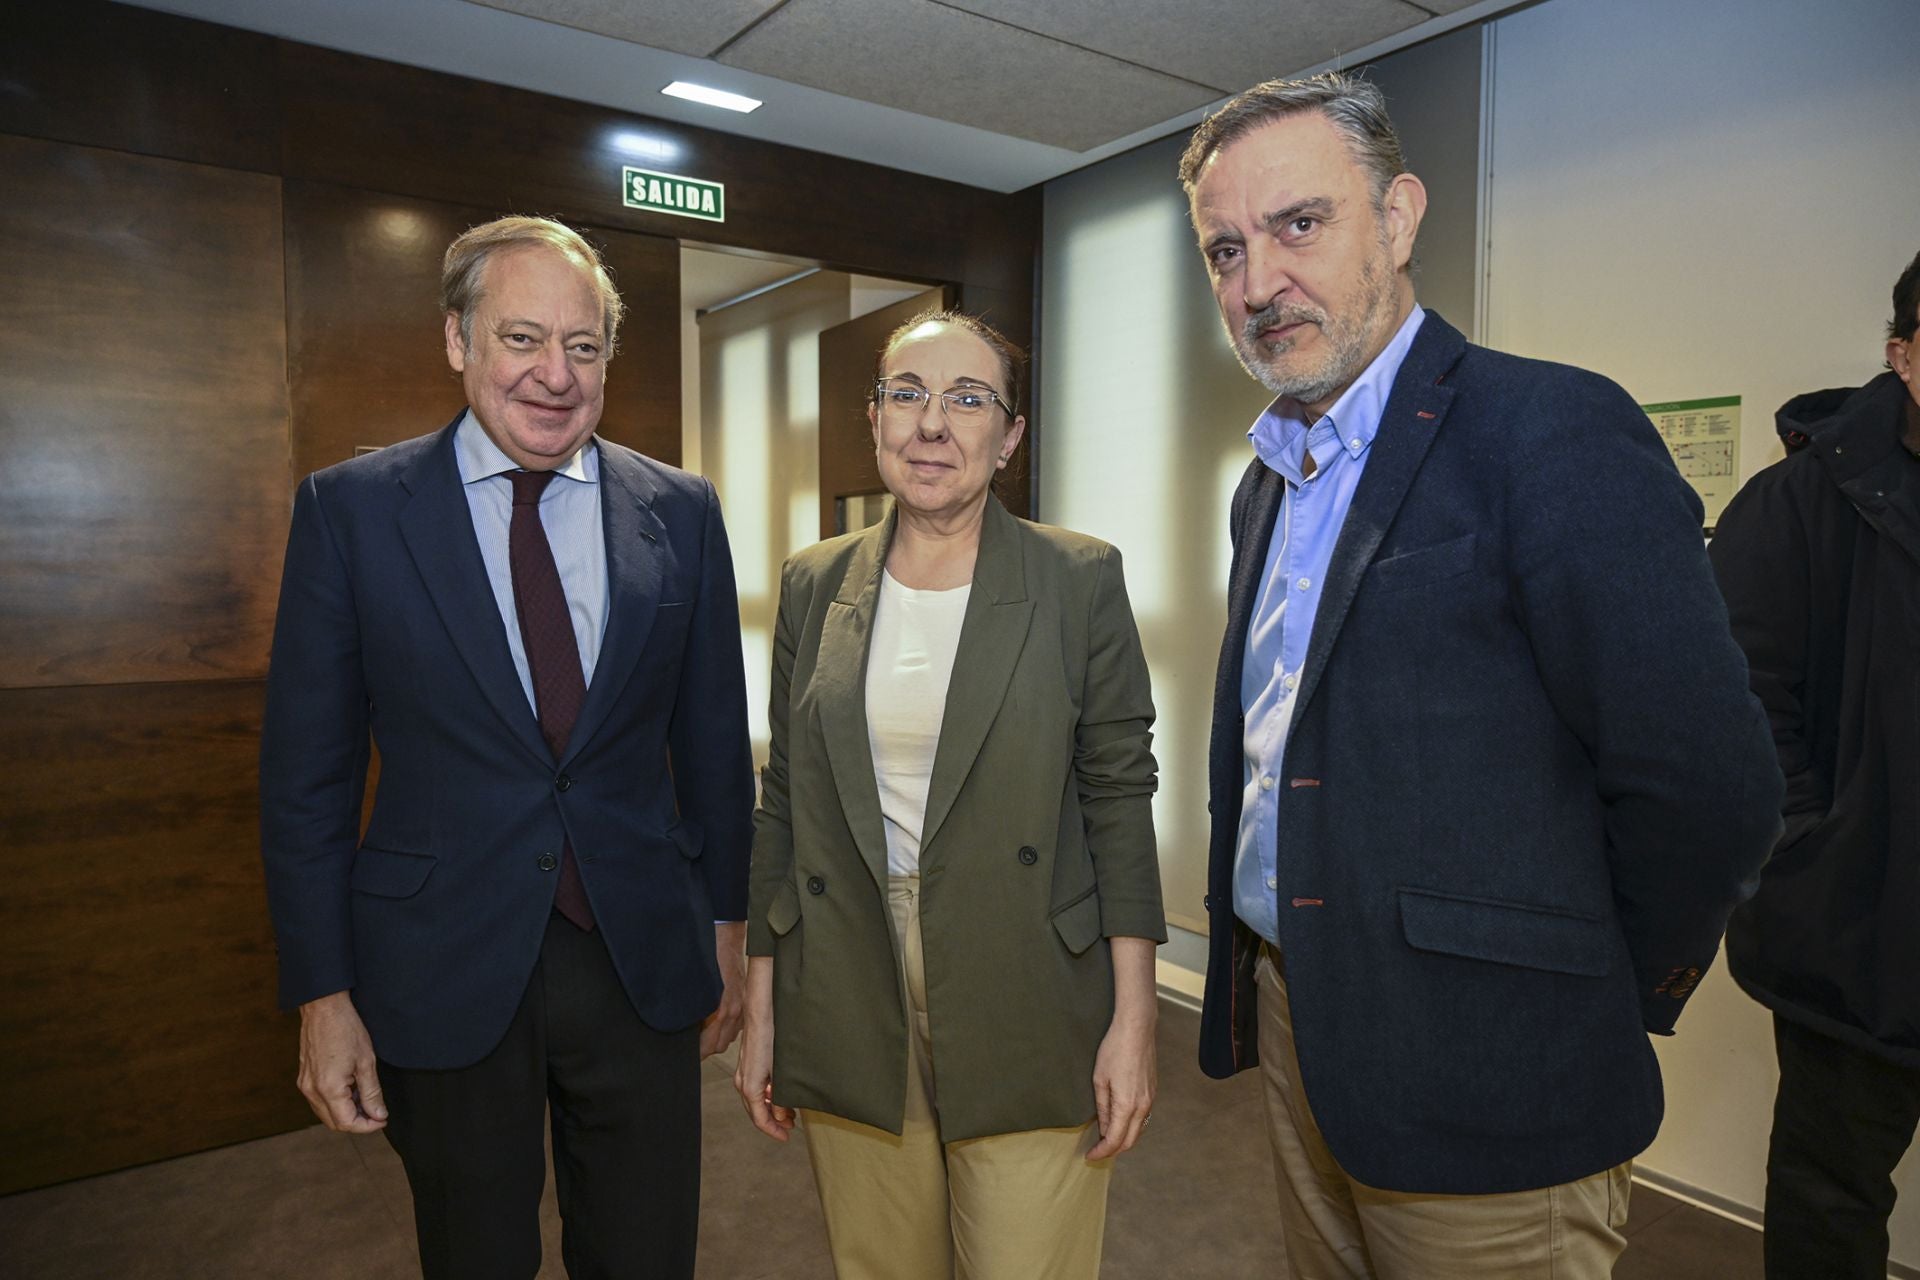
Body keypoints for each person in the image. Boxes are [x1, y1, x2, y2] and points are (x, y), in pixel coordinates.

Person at [1182, 72, 1783, 1277]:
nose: (1257, 283)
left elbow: (1708, 784)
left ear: (1399, 219)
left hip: (1498, 1067)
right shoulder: (1266, 482)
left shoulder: (1546, 430)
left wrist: (1594, 987)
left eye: (1300, 224)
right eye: (1225, 250)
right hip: (1304, 1023)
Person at [258, 215, 754, 1280]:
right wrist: (322, 991)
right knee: (474, 1252)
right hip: (439, 956)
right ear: (458, 340)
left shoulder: (682, 510)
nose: (555, 375)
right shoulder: (351, 514)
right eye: (522, 338)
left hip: (638, 954)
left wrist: (728, 923)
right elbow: (307, 778)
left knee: (645, 1250)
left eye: (582, 346)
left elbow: (713, 741)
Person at [733, 310, 1165, 1279]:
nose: (934, 423)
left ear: (1008, 435)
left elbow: (1118, 798)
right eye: (909, 394)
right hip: (845, 967)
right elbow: (786, 801)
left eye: (968, 398)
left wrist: (1133, 1017)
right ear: (875, 418)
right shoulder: (815, 581)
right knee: (882, 1261)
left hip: (1027, 974)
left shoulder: (1077, 577)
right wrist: (765, 1001)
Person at [1707, 248, 1920, 1279]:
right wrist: (1809, 855)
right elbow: (1736, 702)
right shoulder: (1795, 506)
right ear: (1903, 356)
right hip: (1857, 934)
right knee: (1832, 1209)